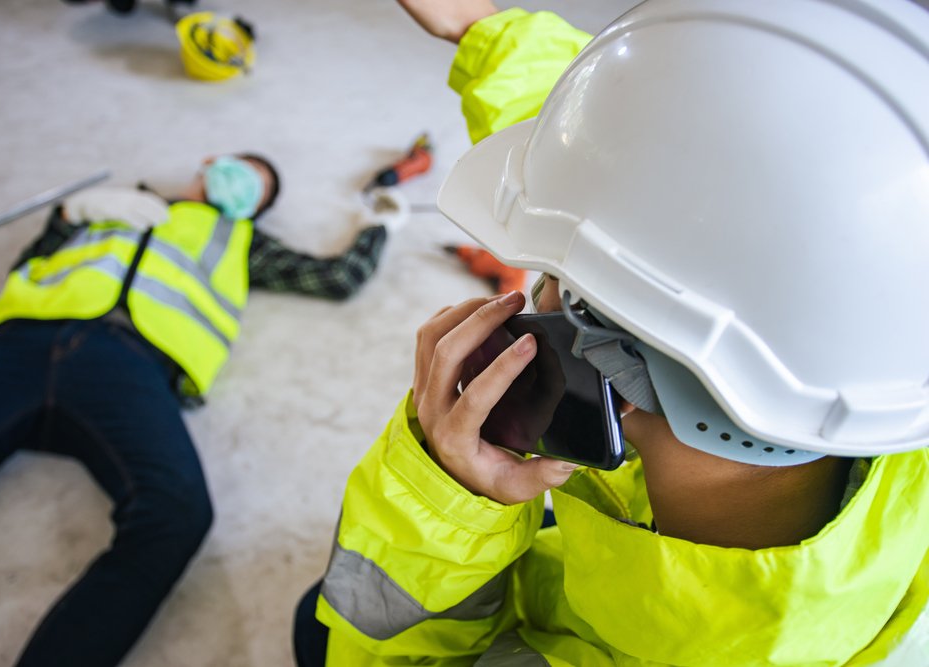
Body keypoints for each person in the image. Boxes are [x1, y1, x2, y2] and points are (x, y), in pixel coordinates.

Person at [295, 0, 929, 665]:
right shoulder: (879, 360)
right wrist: (483, 30)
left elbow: (390, 644)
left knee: (316, 622)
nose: (535, 282)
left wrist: (445, 513)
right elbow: (672, 175)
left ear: (606, 365)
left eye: (550, 275)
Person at [0, 152, 401, 667]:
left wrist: (377, 225)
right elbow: (28, 265)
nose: (244, 187)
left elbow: (337, 278)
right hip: (14, 348)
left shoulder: (242, 240)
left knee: (178, 514)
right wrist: (67, 215)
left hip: (129, 368)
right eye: (242, 170)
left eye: (257, 191)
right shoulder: (116, 206)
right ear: (209, 164)